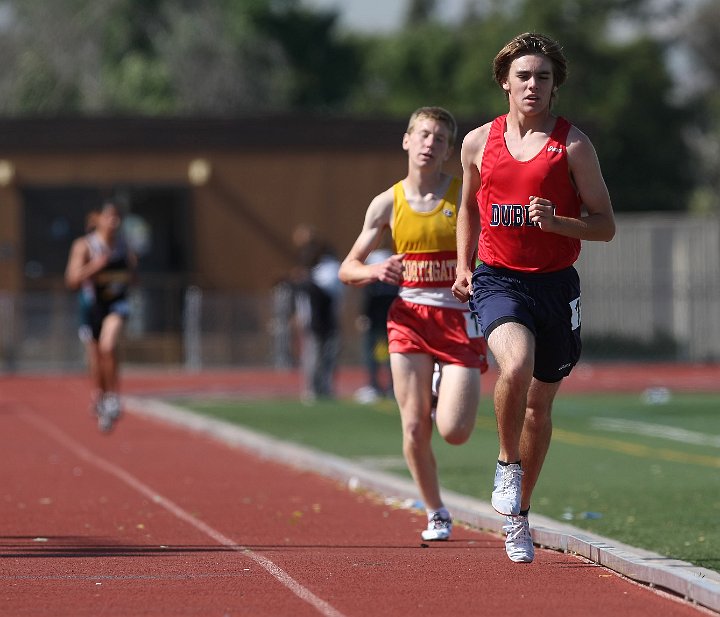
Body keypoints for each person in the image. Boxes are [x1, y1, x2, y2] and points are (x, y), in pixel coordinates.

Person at [452, 32, 616, 562]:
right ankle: (505, 463)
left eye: (542, 77)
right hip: (500, 278)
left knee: (539, 409)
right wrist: (462, 265)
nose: (532, 85)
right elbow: (469, 210)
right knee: (514, 365)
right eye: (523, 75)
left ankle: (519, 516)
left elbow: (605, 225)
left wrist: (558, 221)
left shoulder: (572, 145)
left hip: (556, 285)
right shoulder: (478, 142)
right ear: (505, 81)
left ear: (553, 87)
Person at [339, 106, 488, 542]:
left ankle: (444, 384)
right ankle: (436, 510)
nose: (430, 144)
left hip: (458, 319)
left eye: (440, 139)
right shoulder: (387, 203)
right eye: (423, 135)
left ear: (448, 151)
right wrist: (373, 271)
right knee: (412, 425)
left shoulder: (463, 197)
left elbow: (493, 244)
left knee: (455, 432)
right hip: (408, 319)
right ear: (407, 140)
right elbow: (348, 267)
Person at [65, 202, 137, 432]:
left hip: (116, 304)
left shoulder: (124, 246)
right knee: (96, 358)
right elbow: (72, 281)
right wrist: (96, 267)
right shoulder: (85, 246)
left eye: (118, 217)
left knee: (108, 346)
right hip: (92, 306)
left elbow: (134, 277)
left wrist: (126, 275)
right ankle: (102, 396)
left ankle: (113, 396)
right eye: (110, 217)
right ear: (99, 219)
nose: (114, 222)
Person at [291, 224, 344, 403]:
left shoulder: (325, 271)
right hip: (315, 322)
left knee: (327, 355)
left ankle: (325, 387)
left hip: (327, 320)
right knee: (313, 355)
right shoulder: (309, 279)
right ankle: (313, 388)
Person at [353, 248, 397, 404]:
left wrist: (364, 316)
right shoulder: (392, 284)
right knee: (388, 355)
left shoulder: (376, 284)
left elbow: (368, 299)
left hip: (382, 322)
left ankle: (378, 386)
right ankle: (387, 386)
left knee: (377, 355)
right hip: (388, 321)